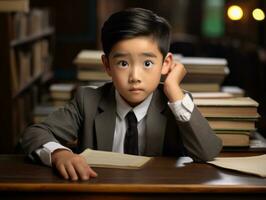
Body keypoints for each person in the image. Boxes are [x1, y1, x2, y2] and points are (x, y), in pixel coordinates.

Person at [20, 8, 222, 181]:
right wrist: (59, 153)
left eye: (147, 63)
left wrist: (173, 89)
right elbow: (33, 133)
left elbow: (207, 152)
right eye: (123, 63)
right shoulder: (88, 101)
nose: (135, 77)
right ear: (107, 65)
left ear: (166, 64)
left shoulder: (176, 102)